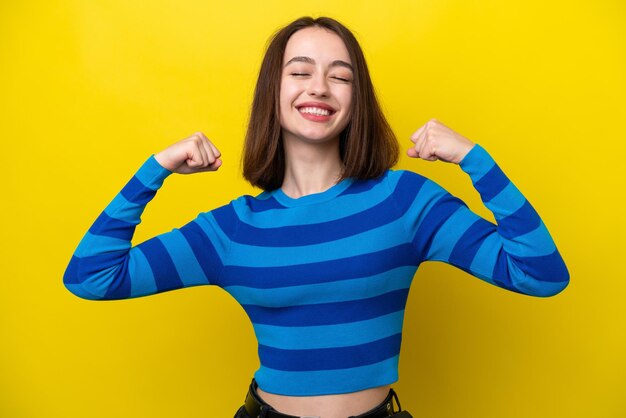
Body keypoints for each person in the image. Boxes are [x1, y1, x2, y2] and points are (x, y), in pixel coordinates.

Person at [63, 16, 570, 418]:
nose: (320, 87)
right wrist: (155, 170)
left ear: (357, 97)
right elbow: (92, 276)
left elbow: (540, 273)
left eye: (340, 75)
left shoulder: (406, 202)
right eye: (300, 71)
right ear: (273, 91)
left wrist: (473, 159)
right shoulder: (231, 231)